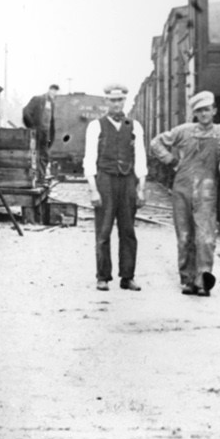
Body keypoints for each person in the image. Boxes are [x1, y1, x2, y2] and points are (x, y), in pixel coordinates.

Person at [150, 90, 220, 296]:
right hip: (182, 188)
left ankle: (203, 281)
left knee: (206, 237)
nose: (204, 114)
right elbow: (156, 143)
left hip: (207, 190)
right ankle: (188, 280)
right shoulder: (183, 131)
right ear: (195, 113)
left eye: (207, 109)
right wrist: (170, 160)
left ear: (214, 110)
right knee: (184, 236)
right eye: (200, 111)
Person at [83, 84, 147, 291]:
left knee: (128, 230)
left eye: (120, 100)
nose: (117, 104)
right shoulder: (96, 126)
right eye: (113, 100)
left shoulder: (134, 126)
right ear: (106, 102)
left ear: (124, 101)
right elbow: (90, 159)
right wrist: (93, 188)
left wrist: (141, 188)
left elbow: (141, 158)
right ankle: (102, 276)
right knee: (103, 230)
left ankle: (127, 277)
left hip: (128, 180)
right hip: (105, 180)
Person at [21, 84, 59, 177]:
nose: (54, 93)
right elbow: (26, 112)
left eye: (56, 91)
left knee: (44, 155)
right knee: (35, 155)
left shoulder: (52, 103)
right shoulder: (38, 99)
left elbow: (51, 121)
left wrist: (51, 135)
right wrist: (32, 127)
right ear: (49, 90)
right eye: (53, 90)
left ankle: (41, 177)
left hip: (46, 134)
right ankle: (36, 178)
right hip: (37, 133)